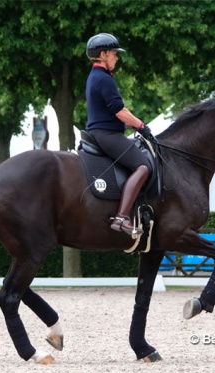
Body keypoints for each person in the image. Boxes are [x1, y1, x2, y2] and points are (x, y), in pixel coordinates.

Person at [85, 33, 152, 236]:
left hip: (100, 132)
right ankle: (122, 217)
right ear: (103, 54)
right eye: (114, 53)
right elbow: (120, 111)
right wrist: (141, 126)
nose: (116, 58)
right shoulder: (104, 79)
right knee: (143, 166)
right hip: (106, 134)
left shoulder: (96, 76)